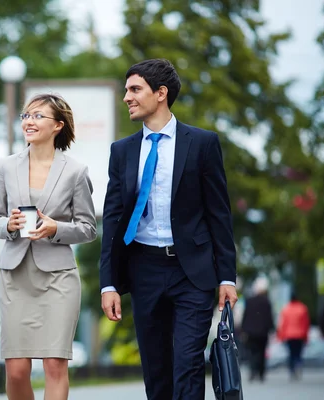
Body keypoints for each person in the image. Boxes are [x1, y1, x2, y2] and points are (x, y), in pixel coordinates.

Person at [99, 59, 238, 400]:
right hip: (144, 269)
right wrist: (109, 283)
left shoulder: (202, 143)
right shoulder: (122, 151)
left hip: (193, 271)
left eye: (135, 89)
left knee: (188, 363)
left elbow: (219, 214)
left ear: (161, 93)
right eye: (127, 90)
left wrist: (227, 277)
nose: (126, 97)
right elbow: (113, 220)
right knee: (156, 369)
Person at [0, 93, 97, 400]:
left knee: (54, 366)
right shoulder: (6, 166)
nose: (29, 122)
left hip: (58, 280)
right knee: (17, 370)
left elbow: (88, 229)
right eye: (26, 116)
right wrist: (8, 225)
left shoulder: (75, 171)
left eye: (37, 116)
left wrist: (55, 228)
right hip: (15, 276)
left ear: (58, 126)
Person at [242, 277, 275, 382]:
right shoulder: (267, 302)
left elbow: (246, 315)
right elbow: (269, 317)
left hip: (251, 331)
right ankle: (261, 373)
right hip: (263, 332)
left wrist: (244, 328)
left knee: (252, 352)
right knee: (262, 352)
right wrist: (271, 328)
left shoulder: (249, 301)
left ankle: (252, 371)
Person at [277, 293, 310, 380]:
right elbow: (305, 324)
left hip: (289, 335)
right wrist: (306, 336)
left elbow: (283, 324)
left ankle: (292, 370)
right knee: (298, 353)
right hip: (300, 335)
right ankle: (298, 366)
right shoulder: (302, 308)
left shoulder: (286, 309)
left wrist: (281, 336)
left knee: (291, 354)